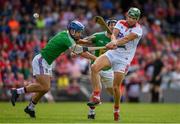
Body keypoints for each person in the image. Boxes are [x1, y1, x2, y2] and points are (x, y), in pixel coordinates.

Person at [10, 20, 86, 118]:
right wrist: (94, 54)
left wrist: (90, 41)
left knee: (44, 88)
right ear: (72, 31)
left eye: (80, 32)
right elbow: (79, 49)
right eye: (78, 32)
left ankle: (30, 108)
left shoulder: (67, 35)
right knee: (45, 87)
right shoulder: (66, 38)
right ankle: (17, 92)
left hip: (47, 63)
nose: (80, 34)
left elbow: (80, 42)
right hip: (42, 60)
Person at [87, 7, 142, 121]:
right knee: (94, 67)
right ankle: (97, 95)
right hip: (113, 53)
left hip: (124, 59)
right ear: (127, 16)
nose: (131, 20)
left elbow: (126, 39)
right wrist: (113, 41)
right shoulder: (120, 23)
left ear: (137, 19)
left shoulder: (138, 30)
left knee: (116, 87)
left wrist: (116, 42)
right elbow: (114, 34)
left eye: (134, 18)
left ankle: (116, 109)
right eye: (130, 17)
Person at [79, 19, 117, 119]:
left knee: (112, 91)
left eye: (114, 26)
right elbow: (85, 41)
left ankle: (115, 108)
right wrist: (78, 46)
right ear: (107, 26)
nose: (112, 27)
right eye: (111, 25)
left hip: (108, 69)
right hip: (95, 65)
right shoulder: (98, 36)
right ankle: (91, 112)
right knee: (97, 89)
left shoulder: (118, 40)